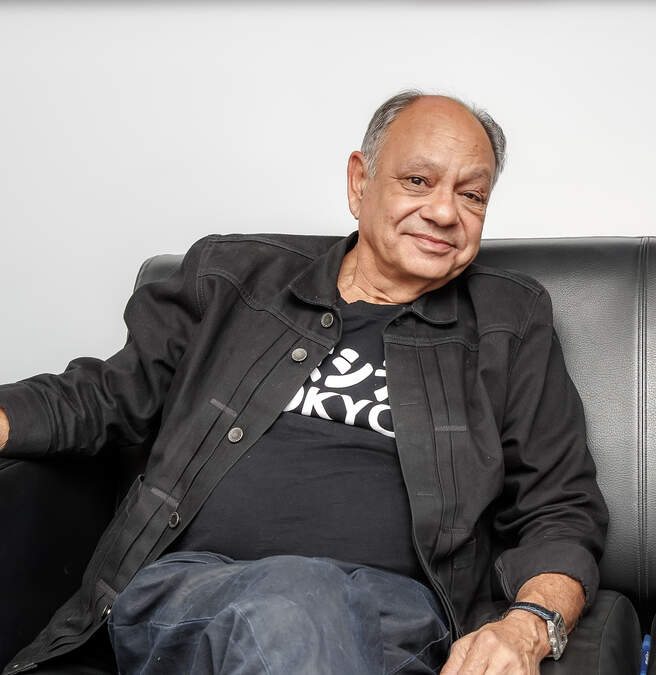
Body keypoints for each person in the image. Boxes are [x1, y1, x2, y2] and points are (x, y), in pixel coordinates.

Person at [0, 91, 608, 675]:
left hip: (393, 617)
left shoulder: (507, 323)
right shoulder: (233, 280)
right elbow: (104, 395)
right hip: (191, 590)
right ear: (359, 182)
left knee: (304, 605)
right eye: (418, 181)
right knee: (292, 600)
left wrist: (527, 626)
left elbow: (561, 508)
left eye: (471, 195)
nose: (445, 212)